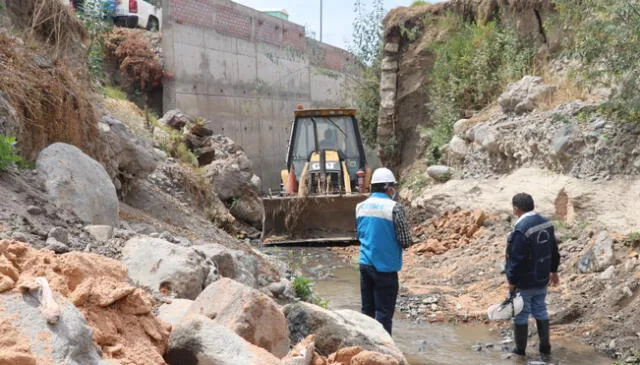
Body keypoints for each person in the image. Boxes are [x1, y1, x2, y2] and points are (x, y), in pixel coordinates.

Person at [356, 167, 412, 335]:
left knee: (367, 312)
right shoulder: (394, 208)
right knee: (384, 315)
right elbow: (405, 241)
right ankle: (385, 352)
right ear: (388, 188)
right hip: (386, 268)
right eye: (393, 187)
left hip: (365, 264)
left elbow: (359, 234)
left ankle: (367, 347)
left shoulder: (360, 207)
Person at [506, 193, 560, 356]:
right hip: (542, 278)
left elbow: (516, 258)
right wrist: (554, 271)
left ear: (516, 208)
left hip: (525, 281)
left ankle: (520, 352)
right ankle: (545, 348)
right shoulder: (546, 223)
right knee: (541, 311)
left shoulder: (521, 228)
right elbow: (554, 250)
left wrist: (511, 280)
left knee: (521, 315)